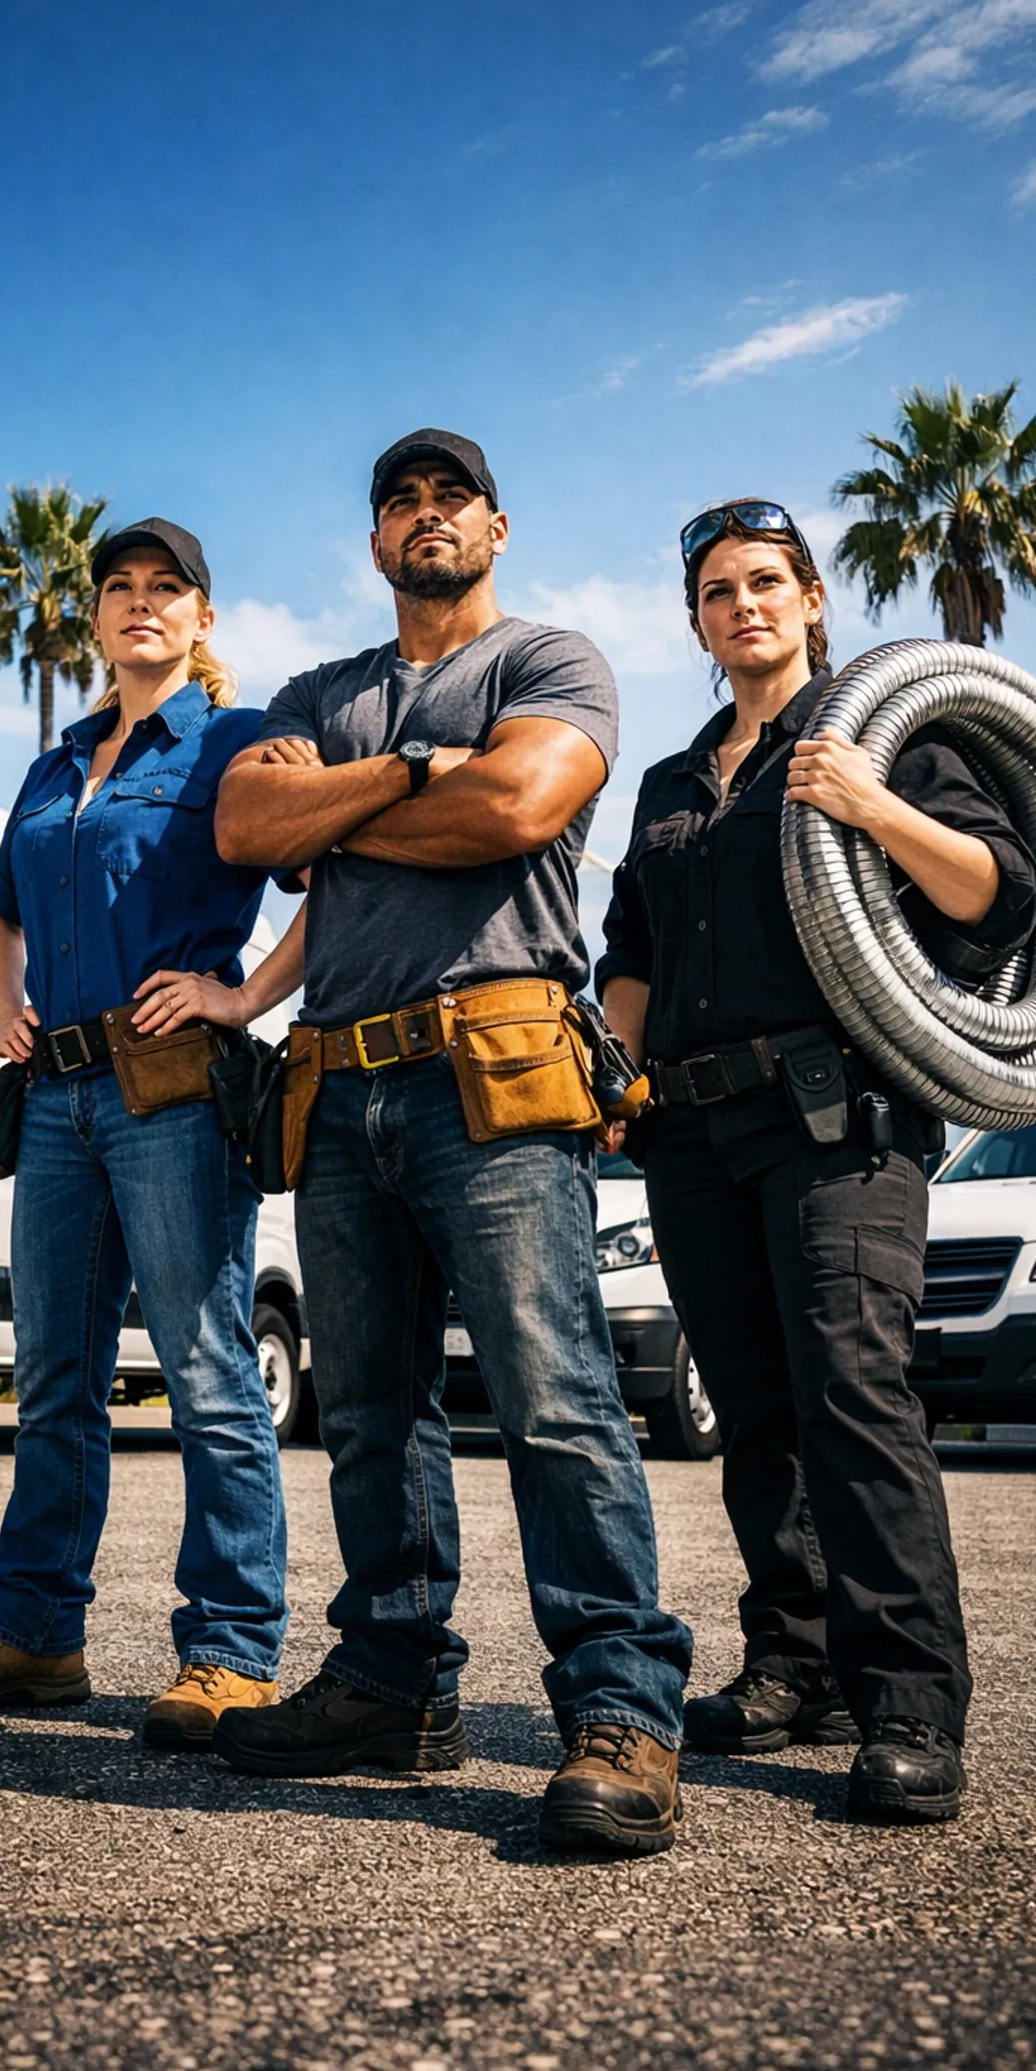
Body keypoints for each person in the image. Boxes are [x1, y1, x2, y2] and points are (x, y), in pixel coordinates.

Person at [209, 429, 694, 1857]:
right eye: (401, 502)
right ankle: (391, 1680)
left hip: (495, 1072)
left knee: (553, 1400)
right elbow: (246, 825)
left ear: (497, 526)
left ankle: (619, 1708)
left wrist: (341, 809)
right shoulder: (317, 691)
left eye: (452, 498)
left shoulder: (551, 662)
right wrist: (422, 771)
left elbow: (519, 805)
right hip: (338, 1078)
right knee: (368, 1409)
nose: (427, 516)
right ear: (375, 541)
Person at [597, 498, 1036, 1825]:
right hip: (691, 1131)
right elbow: (631, 952)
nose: (742, 605)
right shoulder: (674, 782)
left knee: (852, 1396)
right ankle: (796, 1665)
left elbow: (997, 896)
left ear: (810, 602)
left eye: (765, 582)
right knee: (753, 1407)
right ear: (696, 623)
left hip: (837, 1121)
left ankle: (909, 1705)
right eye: (717, 591)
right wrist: (617, 1078)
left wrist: (868, 804)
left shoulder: (883, 739)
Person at [0, 518, 306, 1752]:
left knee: (206, 1371)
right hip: (58, 1101)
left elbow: (332, 878)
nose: (140, 603)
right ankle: (34, 1632)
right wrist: (1, 1007)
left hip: (173, 1090)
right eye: (118, 586)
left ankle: (230, 1649)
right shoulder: (56, 761)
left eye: (166, 588)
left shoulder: (240, 740)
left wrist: (242, 994)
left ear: (202, 618)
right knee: (54, 1379)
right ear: (96, 617)